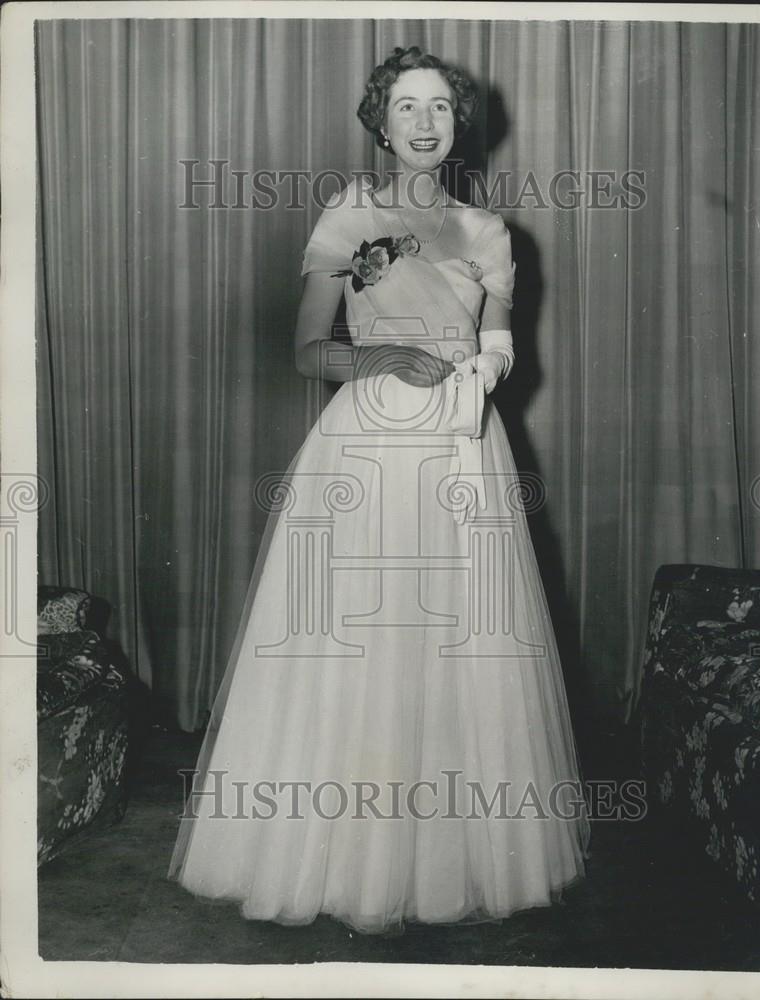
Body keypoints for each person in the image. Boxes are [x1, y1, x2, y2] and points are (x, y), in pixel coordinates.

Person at [169, 45, 590, 936]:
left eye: (440, 107)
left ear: (459, 122)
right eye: (407, 108)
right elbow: (304, 351)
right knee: (355, 645)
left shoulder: (488, 233)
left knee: (456, 646)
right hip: (362, 447)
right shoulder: (346, 214)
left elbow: (506, 342)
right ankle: (332, 858)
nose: (426, 123)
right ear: (381, 121)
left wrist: (476, 370)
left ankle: (448, 863)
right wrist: (382, 357)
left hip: (460, 445)